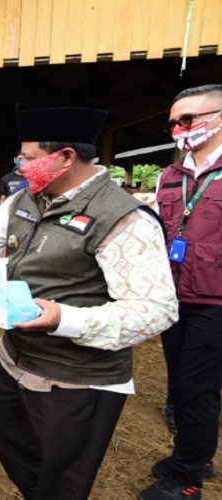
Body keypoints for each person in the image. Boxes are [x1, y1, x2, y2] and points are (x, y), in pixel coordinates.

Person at [0, 107, 178, 499]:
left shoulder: (124, 219)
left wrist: (65, 318)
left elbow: (157, 309)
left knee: (63, 470)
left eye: (28, 157)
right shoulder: (26, 200)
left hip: (74, 376)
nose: (20, 166)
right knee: (2, 424)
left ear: (65, 157)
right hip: (16, 356)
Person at [141, 84, 222, 500]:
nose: (178, 127)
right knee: (180, 384)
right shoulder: (170, 176)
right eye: (173, 121)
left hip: (215, 301)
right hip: (174, 295)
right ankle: (195, 454)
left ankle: (187, 478)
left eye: (187, 119)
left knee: (197, 388)